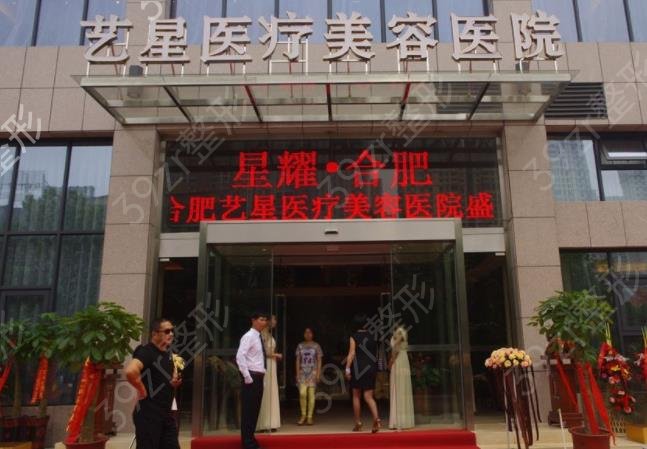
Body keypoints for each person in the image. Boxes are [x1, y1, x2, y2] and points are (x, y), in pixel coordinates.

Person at [125, 318, 182, 449]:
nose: (171, 334)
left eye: (172, 331)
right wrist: (142, 390)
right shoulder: (146, 351)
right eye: (166, 331)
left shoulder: (168, 355)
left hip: (166, 414)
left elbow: (163, 379)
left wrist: (173, 383)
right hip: (148, 414)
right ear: (155, 334)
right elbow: (130, 371)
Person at [236, 311, 269, 449]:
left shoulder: (259, 337)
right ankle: (248, 442)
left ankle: (250, 439)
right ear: (253, 320)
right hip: (251, 377)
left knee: (254, 411)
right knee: (249, 411)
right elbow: (240, 356)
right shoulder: (248, 336)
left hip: (258, 377)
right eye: (261, 319)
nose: (264, 322)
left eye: (265, 320)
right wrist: (247, 376)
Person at [344, 315, 381, 433]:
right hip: (371, 367)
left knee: (356, 395)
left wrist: (347, 368)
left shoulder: (354, 336)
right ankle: (376, 419)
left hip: (358, 368)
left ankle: (358, 423)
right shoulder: (372, 337)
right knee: (369, 397)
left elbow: (352, 353)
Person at [256, 315, 282, 432]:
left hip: (272, 364)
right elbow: (264, 352)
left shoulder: (268, 334)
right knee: (266, 391)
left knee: (271, 391)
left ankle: (271, 422)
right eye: (274, 319)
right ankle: (263, 423)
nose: (275, 321)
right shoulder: (263, 334)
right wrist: (276, 355)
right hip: (267, 363)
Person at [295, 328, 323, 425]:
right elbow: (297, 360)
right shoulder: (300, 346)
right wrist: (297, 373)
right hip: (302, 373)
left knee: (311, 395)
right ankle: (303, 415)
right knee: (302, 393)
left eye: (310, 332)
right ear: (303, 334)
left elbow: (319, 360)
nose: (308, 334)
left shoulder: (316, 346)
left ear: (313, 334)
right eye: (306, 332)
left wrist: (318, 373)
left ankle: (309, 417)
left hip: (313, 373)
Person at [388, 326, 414, 430]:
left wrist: (391, 361)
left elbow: (395, 349)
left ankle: (398, 421)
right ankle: (405, 421)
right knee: (403, 389)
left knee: (398, 389)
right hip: (403, 360)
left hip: (398, 361)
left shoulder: (399, 334)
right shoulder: (403, 334)